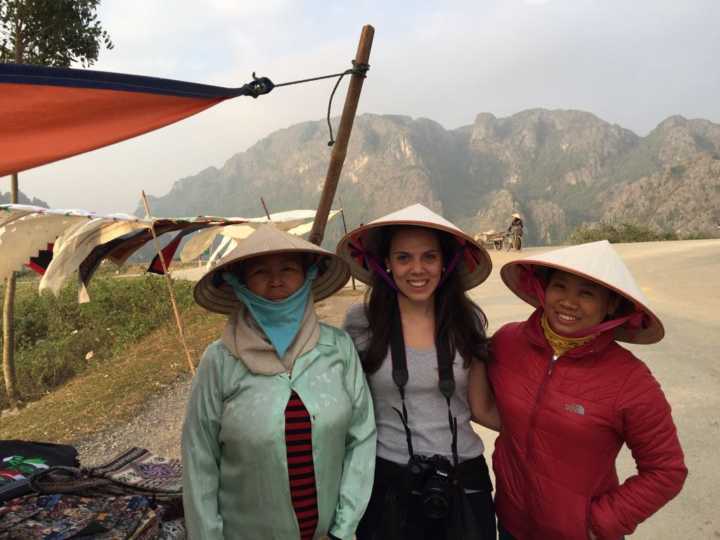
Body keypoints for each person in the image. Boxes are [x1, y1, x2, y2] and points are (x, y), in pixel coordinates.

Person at [182, 224, 377, 540]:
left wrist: (343, 529)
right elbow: (199, 459)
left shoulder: (338, 348)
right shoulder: (219, 361)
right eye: (260, 272)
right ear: (240, 284)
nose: (276, 281)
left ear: (307, 277)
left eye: (288, 269)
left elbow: (362, 437)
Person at [488, 240, 687, 540]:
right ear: (543, 289)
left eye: (587, 293)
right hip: (511, 525)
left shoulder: (630, 380)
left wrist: (601, 523)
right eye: (560, 287)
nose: (569, 301)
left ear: (611, 305)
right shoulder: (507, 342)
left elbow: (666, 470)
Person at [337, 203, 499, 540]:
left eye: (429, 257)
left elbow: (481, 407)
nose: (417, 269)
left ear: (445, 263)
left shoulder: (465, 320)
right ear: (386, 264)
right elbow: (346, 408)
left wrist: (548, 435)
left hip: (463, 478)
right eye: (403, 258)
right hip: (387, 481)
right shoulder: (361, 323)